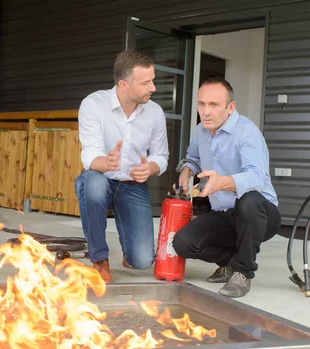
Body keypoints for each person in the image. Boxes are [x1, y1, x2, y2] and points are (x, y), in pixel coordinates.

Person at [172, 77, 281, 298]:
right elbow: (193, 157)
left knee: (248, 200)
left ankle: (243, 272)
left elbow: (257, 178)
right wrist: (187, 170)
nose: (206, 111)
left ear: (230, 108)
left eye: (214, 105)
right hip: (224, 213)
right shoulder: (200, 130)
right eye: (202, 104)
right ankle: (230, 263)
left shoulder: (247, 132)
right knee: (183, 243)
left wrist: (223, 181)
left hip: (260, 214)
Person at [74, 50, 169, 283]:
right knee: (93, 183)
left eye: (152, 80)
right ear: (124, 84)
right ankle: (99, 260)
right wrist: (105, 163)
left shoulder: (155, 113)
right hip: (101, 178)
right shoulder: (93, 104)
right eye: (146, 82)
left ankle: (130, 249)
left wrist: (151, 168)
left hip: (131, 185)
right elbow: (89, 156)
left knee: (143, 261)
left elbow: (161, 155)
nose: (153, 87)